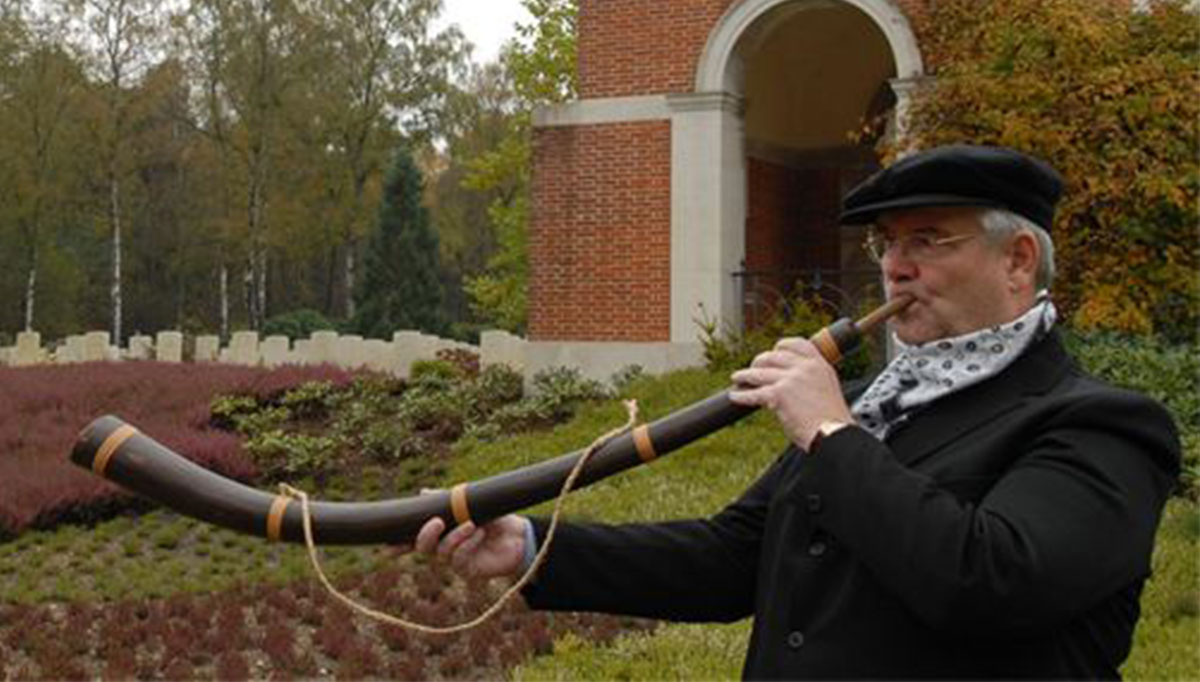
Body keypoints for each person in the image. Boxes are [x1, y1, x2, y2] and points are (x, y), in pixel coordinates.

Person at [413, 145, 1180, 680]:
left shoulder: (1101, 425)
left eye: (926, 240)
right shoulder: (889, 407)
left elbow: (987, 583)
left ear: (1018, 260)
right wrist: (530, 547)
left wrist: (831, 431)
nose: (893, 266)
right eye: (886, 244)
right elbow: (730, 560)